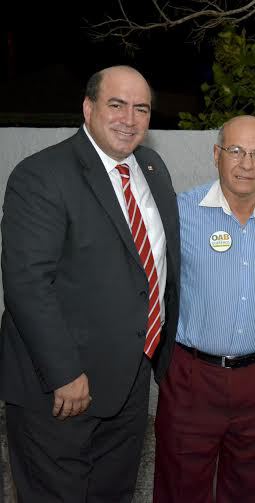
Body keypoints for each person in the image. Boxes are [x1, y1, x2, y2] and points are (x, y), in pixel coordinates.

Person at [0, 65, 180, 502]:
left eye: (141, 108)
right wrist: (64, 372)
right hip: (61, 388)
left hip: (131, 378)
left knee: (112, 493)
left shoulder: (152, 168)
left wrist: (156, 359)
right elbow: (27, 283)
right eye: (116, 105)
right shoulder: (42, 174)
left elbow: (156, 266)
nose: (130, 118)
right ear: (88, 107)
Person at [152, 115, 255, 501]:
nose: (246, 164)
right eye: (236, 151)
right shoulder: (180, 213)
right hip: (192, 379)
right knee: (181, 489)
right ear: (216, 155)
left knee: (249, 489)